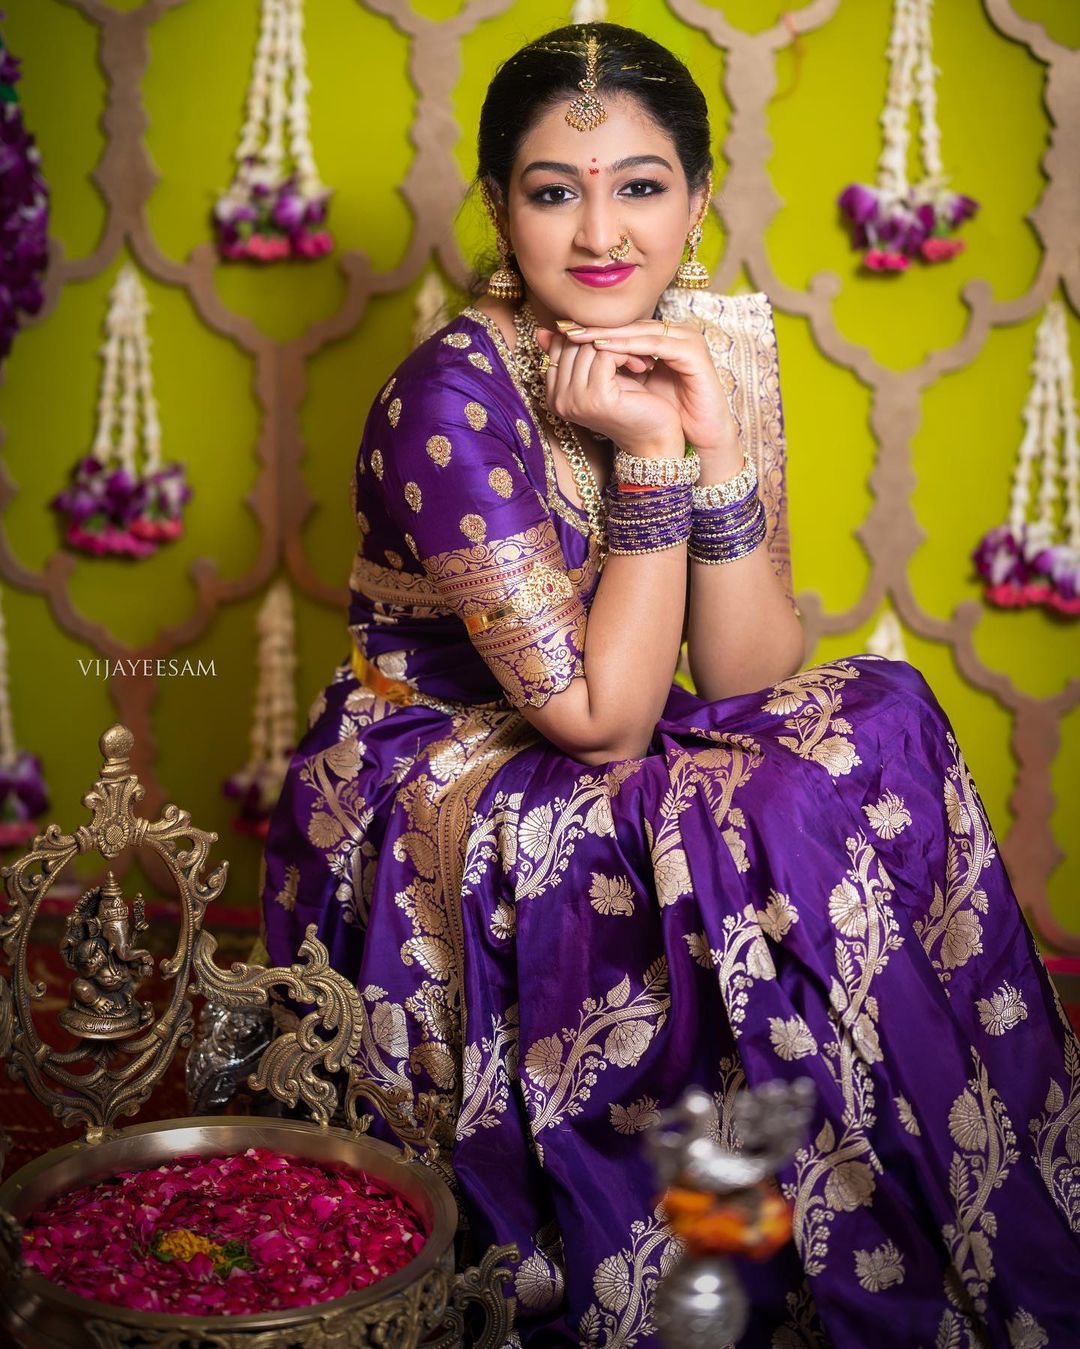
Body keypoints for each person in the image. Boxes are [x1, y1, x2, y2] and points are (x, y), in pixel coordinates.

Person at [261, 23, 1080, 1347]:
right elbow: (604, 725)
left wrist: (710, 436)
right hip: (441, 767)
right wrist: (650, 459)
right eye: (552, 189)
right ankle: (687, 1227)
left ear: (698, 201)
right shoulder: (451, 397)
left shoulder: (706, 341)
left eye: (640, 185)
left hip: (588, 714)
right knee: (717, 812)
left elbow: (753, 675)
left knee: (872, 712)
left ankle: (905, 1172)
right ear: (498, 208)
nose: (600, 231)